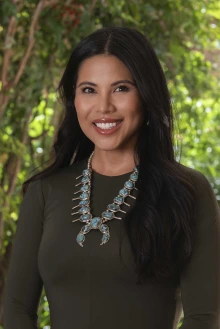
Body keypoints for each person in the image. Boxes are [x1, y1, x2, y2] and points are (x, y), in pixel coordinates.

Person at [3, 26, 220, 329]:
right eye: (89, 90)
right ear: (74, 100)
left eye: (121, 88)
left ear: (146, 95)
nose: (103, 107)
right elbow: (15, 309)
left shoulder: (187, 190)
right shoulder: (44, 191)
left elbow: (204, 317)